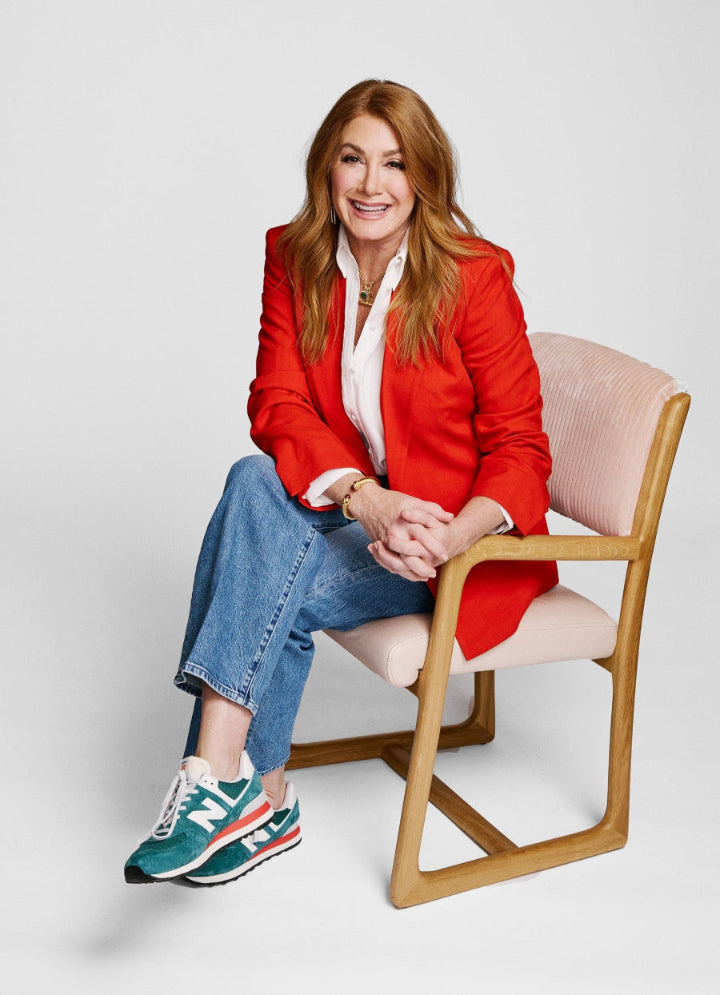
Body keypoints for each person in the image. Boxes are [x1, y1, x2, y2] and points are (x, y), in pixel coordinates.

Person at [124, 79, 558, 887]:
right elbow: (277, 401)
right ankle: (250, 786)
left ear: (423, 177)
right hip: (363, 515)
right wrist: (366, 497)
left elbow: (522, 448)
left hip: (447, 545)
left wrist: (447, 533)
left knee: (260, 573)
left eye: (394, 164)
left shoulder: (475, 276)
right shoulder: (292, 257)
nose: (371, 183)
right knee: (255, 479)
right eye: (352, 159)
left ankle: (231, 787)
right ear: (325, 169)